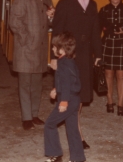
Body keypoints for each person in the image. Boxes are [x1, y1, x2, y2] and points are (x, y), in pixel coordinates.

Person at [51, 0, 102, 149]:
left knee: (79, 98)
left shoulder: (93, 5)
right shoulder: (65, 4)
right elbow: (57, 32)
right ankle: (76, 135)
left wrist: (99, 54)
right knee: (70, 96)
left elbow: (96, 32)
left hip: (85, 57)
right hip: (69, 56)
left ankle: (75, 133)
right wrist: (54, 57)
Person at [9, 0, 55, 131]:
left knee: (37, 84)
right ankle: (26, 117)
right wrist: (27, 39)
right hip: (26, 49)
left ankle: (34, 114)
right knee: (25, 84)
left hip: (40, 49)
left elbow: (48, 23)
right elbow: (14, 22)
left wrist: (50, 17)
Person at [44, 32, 85, 162]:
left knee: (50, 124)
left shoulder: (62, 64)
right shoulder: (70, 61)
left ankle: (55, 154)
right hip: (74, 99)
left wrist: (63, 102)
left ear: (61, 49)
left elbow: (66, 84)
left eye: (54, 47)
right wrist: (56, 89)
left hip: (68, 100)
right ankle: (78, 158)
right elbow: (68, 81)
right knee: (72, 130)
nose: (52, 49)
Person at [98, 0, 123, 116]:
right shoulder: (104, 10)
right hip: (107, 44)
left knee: (121, 75)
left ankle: (121, 104)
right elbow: (100, 27)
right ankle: (110, 101)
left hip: (122, 45)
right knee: (108, 74)